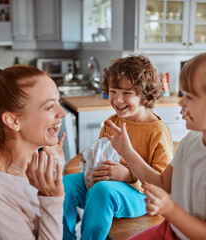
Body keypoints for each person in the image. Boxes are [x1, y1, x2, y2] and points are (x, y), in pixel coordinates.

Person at [106, 48, 206, 239]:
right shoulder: (193, 139)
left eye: (190, 96)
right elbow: (163, 184)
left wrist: (168, 208)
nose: (181, 102)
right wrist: (127, 152)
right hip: (175, 231)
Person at [63, 55, 173, 240]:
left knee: (102, 191)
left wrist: (128, 175)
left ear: (145, 96)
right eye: (113, 91)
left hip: (141, 196)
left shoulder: (157, 131)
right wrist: (95, 171)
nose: (117, 99)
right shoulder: (113, 122)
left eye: (127, 93)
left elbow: (162, 185)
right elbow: (101, 154)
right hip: (109, 185)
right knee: (65, 186)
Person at [0, 65, 67, 239]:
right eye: (49, 107)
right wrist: (52, 199)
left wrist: (56, 167)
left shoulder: (26, 163)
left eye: (58, 102)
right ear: (13, 120)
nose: (61, 113)